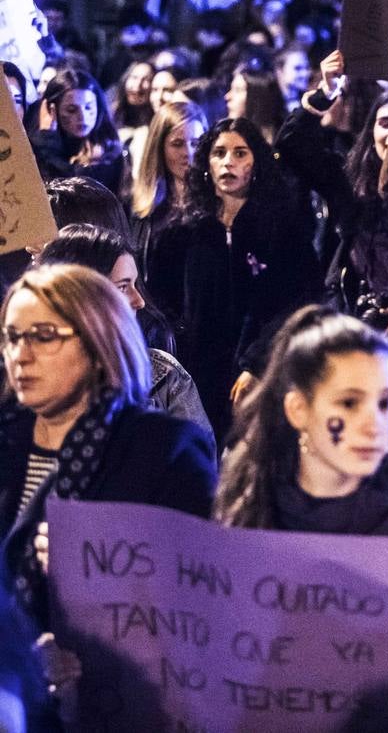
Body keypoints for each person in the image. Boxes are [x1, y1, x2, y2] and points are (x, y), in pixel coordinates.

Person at [214, 306, 388, 728]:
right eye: (349, 403)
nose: (372, 424)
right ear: (297, 409)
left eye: (385, 404)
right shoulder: (246, 499)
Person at [0, 265, 215, 688]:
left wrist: (103, 574)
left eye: (43, 337)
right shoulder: (6, 438)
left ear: (99, 343)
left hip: (122, 693)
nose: (20, 356)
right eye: (11, 338)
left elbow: (204, 593)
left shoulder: (164, 450)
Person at [147, 117, 322, 441]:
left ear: (256, 161)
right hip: (197, 379)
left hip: (263, 374)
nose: (229, 162)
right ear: (207, 163)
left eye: (240, 153)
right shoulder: (180, 233)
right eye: (219, 152)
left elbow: (299, 302)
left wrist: (257, 363)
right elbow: (160, 302)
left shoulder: (281, 230)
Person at [272, 51, 388, 331]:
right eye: (384, 123)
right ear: (370, 132)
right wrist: (326, 91)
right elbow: (290, 143)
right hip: (351, 320)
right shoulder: (350, 179)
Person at [36, 224, 211, 434]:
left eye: (135, 285)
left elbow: (200, 463)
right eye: (122, 287)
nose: (139, 302)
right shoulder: (21, 379)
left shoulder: (163, 375)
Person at [129, 100, 208, 273]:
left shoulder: (215, 200)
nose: (188, 153)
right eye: (177, 144)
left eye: (195, 143)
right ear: (159, 148)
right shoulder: (140, 204)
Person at [32, 68, 125, 195]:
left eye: (88, 107)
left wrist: (46, 142)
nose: (82, 116)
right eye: (71, 109)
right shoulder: (37, 143)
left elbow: (72, 190)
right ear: (51, 110)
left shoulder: (108, 150)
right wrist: (46, 137)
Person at [225, 62, 286, 143]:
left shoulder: (284, 142)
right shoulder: (225, 138)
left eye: (238, 90)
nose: (227, 97)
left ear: (257, 99)